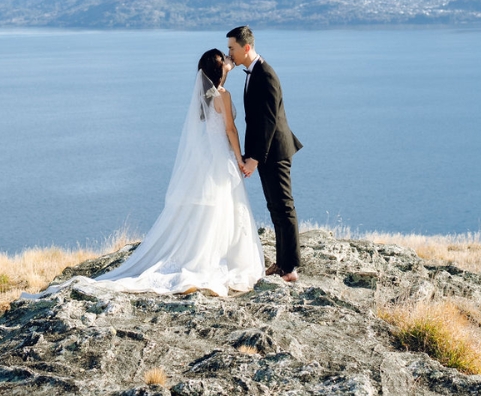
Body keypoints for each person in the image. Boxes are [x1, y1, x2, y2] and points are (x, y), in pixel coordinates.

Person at [23, 49, 265, 298]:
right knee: (224, 206)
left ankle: (209, 251)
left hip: (208, 158)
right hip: (221, 157)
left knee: (213, 208)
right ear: (219, 69)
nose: (228, 59)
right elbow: (230, 130)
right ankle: (220, 255)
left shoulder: (204, 97)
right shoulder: (223, 95)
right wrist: (240, 159)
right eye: (224, 59)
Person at [227, 25, 303, 282]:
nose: (230, 54)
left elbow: (269, 121)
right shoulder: (252, 72)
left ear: (246, 47)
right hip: (266, 151)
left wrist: (254, 158)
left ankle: (291, 267)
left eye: (232, 49)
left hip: (276, 151)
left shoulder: (266, 74)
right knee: (274, 207)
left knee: (284, 206)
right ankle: (281, 263)